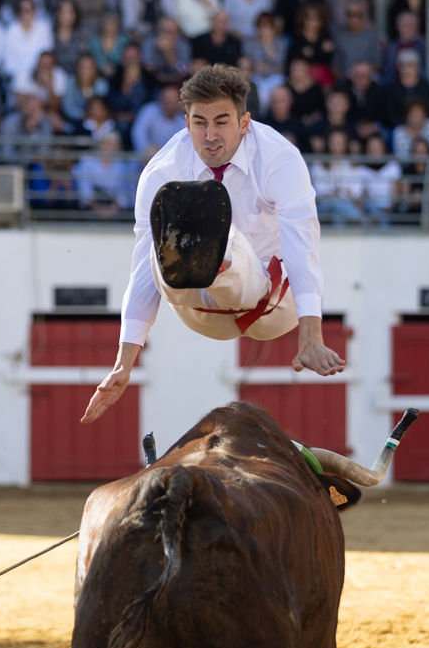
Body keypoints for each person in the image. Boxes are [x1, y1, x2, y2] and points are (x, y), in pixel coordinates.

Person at [81, 63, 344, 426]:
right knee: (162, 250)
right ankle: (209, 256)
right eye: (200, 123)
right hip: (199, 310)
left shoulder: (280, 159)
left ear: (244, 122)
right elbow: (142, 269)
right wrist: (123, 364)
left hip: (270, 300)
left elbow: (303, 245)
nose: (210, 135)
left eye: (221, 121)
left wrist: (311, 334)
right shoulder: (162, 171)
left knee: (223, 234)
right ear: (186, 124)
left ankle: (217, 254)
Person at [310, 126, 366, 224]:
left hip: (346, 206)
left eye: (340, 143)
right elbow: (320, 194)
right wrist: (342, 193)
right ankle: (360, 219)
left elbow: (356, 193)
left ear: (345, 145)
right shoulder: (318, 165)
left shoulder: (352, 166)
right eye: (334, 142)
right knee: (335, 202)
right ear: (328, 143)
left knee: (338, 215)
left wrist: (335, 193)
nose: (336, 146)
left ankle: (340, 237)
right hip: (323, 207)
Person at [75, 129, 140, 213]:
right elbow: (84, 190)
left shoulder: (122, 167)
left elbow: (123, 194)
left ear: (117, 147)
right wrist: (97, 208)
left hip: (113, 208)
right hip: (90, 208)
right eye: (105, 143)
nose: (107, 148)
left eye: (112, 145)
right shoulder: (86, 162)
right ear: (99, 145)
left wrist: (111, 210)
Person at [130, 82, 185, 154]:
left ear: (178, 102)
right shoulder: (149, 110)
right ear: (161, 99)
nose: (169, 104)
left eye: (172, 101)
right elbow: (138, 132)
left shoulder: (182, 121)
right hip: (146, 157)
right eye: (167, 100)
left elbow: (183, 144)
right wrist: (145, 149)